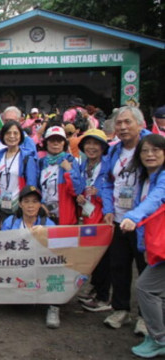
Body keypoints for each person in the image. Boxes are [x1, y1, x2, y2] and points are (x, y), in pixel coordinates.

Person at [101, 106, 151, 332]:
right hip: (118, 219)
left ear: (140, 124)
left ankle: (146, 316)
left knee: (147, 270)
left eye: (127, 122)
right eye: (119, 123)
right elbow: (106, 181)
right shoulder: (114, 151)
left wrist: (139, 214)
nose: (122, 127)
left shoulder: (152, 147)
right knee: (118, 266)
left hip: (145, 221)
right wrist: (108, 208)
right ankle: (120, 310)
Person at [119, 134, 165, 358]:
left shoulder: (163, 178)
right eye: (145, 151)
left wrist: (133, 216)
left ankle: (158, 339)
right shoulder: (146, 177)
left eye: (156, 150)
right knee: (159, 292)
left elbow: (156, 199)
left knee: (146, 287)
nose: (150, 155)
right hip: (158, 245)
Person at [0, 186, 57, 327]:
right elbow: (1, 245)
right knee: (21, 308)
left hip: (41, 267)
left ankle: (54, 307)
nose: (30, 205)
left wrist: (42, 237)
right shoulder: (11, 222)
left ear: (40, 204)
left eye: (35, 201)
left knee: (58, 270)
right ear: (20, 204)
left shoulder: (48, 224)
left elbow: (57, 251)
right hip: (17, 267)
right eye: (26, 201)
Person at [75, 129, 113, 312]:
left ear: (103, 147)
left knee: (104, 258)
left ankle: (103, 298)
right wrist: (80, 197)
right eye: (88, 144)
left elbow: (111, 189)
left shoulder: (108, 166)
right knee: (93, 257)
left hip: (103, 217)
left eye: (95, 144)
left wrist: (101, 198)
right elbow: (82, 187)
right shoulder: (83, 165)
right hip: (88, 216)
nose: (91, 147)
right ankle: (96, 290)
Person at [0, 121, 38, 226]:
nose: (12, 136)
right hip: (2, 204)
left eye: (15, 133)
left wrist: (27, 204)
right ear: (3, 136)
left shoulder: (27, 157)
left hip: (20, 206)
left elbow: (31, 184)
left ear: (21, 136)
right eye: (8, 133)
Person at [38, 126, 83, 225]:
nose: (56, 143)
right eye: (52, 140)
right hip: (45, 216)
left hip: (65, 217)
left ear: (64, 143)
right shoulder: (41, 162)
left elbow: (77, 190)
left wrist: (69, 170)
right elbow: (38, 189)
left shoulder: (70, 160)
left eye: (59, 140)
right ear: (46, 143)